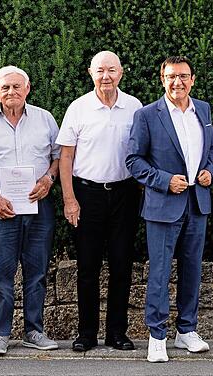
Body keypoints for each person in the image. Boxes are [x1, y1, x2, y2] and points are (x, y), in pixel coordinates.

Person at [0, 66, 60, 356]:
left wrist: (49, 179)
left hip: (38, 207)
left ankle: (34, 331)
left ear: (27, 89)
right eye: (5, 88)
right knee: (2, 274)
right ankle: (1, 334)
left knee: (37, 271)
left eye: (17, 87)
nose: (11, 92)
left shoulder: (45, 119)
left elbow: (59, 157)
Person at [126, 56, 213, 363]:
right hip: (164, 205)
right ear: (162, 79)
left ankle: (186, 330)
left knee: (192, 270)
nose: (177, 82)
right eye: (171, 76)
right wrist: (164, 181)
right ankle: (157, 335)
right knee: (160, 272)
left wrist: (209, 172)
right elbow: (134, 161)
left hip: (197, 203)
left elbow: (211, 152)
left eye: (183, 76)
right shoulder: (147, 115)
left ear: (192, 79)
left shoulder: (202, 110)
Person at [58, 51, 143, 352]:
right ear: (90, 73)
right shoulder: (78, 108)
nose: (106, 76)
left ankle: (117, 333)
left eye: (111, 70)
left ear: (121, 72)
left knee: (122, 266)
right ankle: (87, 333)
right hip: (87, 195)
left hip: (124, 194)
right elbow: (65, 157)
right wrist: (69, 199)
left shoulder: (134, 107)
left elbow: (143, 152)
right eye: (100, 71)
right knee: (88, 267)